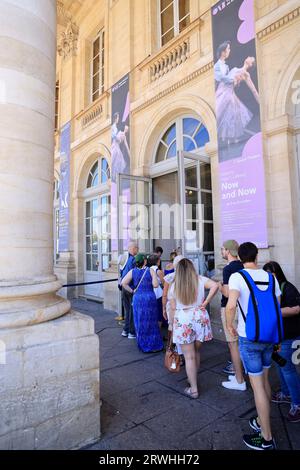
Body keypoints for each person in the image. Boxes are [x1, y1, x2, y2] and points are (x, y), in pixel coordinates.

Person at [226, 242, 281, 450]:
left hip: (249, 338)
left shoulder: (237, 277)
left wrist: (230, 325)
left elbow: (231, 305)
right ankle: (261, 420)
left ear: (240, 257)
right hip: (269, 336)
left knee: (257, 387)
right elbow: (276, 304)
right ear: (257, 256)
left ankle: (266, 438)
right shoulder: (270, 277)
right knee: (265, 382)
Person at [169, 259, 218, 399]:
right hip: (199, 316)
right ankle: (192, 378)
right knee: (196, 351)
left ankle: (193, 388)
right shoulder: (200, 279)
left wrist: (172, 325)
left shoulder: (174, 286)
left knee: (188, 356)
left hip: (183, 319)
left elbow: (173, 308)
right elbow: (215, 285)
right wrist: (206, 302)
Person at [263, 261, 300, 423]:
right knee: (279, 365)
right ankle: (286, 393)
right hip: (276, 337)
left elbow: (297, 308)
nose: (269, 278)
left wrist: (274, 312)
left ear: (277, 273)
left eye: (271, 274)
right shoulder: (268, 289)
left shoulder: (287, 287)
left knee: (288, 370)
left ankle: (297, 404)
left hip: (289, 336)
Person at [122, 253, 163, 353]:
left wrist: (132, 291)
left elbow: (123, 283)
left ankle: (143, 344)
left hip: (138, 298)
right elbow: (156, 285)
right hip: (149, 298)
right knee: (151, 321)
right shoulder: (150, 270)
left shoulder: (132, 271)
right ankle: (154, 345)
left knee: (140, 321)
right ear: (144, 261)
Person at [219, 240, 246, 391]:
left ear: (228, 251)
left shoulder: (228, 269)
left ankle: (239, 380)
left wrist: (220, 287)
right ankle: (238, 374)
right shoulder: (242, 266)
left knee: (233, 345)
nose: (222, 252)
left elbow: (228, 294)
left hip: (230, 309)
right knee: (239, 343)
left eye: (223, 249)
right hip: (242, 309)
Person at [216, 57, 258, 145]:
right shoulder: (235, 69)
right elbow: (225, 79)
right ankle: (227, 141)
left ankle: (229, 141)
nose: (249, 57)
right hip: (222, 91)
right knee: (221, 116)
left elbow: (253, 90)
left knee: (227, 117)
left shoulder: (246, 74)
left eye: (251, 59)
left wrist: (260, 103)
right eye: (250, 57)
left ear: (251, 64)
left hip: (227, 94)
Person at [119, 241, 138, 339]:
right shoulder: (133, 260)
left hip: (123, 287)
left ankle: (125, 330)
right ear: (133, 248)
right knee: (131, 310)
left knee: (127, 310)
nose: (137, 250)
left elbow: (120, 272)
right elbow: (135, 274)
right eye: (137, 248)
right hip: (130, 287)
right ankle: (131, 332)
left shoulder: (123, 257)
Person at [111, 112, 130, 183]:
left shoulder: (122, 134)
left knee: (116, 162)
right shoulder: (115, 128)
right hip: (114, 146)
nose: (118, 119)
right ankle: (113, 177)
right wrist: (116, 138)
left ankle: (115, 178)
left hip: (116, 147)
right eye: (118, 117)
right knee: (114, 162)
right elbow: (113, 135)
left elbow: (126, 146)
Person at [148, 253, 164, 329]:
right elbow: (164, 284)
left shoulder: (147, 270)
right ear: (157, 261)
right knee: (159, 315)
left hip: (150, 293)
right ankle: (158, 334)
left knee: (152, 314)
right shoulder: (158, 271)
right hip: (158, 294)